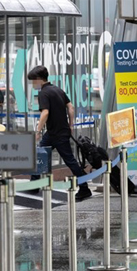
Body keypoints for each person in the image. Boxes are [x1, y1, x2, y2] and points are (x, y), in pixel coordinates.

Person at [28, 65, 91, 200]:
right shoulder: (58, 90)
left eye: (33, 81)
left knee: (69, 160)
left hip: (56, 134)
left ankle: (84, 188)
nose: (32, 84)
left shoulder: (43, 93)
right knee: (38, 153)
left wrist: (38, 130)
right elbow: (71, 107)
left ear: (39, 79)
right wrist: (70, 125)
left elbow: (45, 112)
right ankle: (34, 184)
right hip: (56, 132)